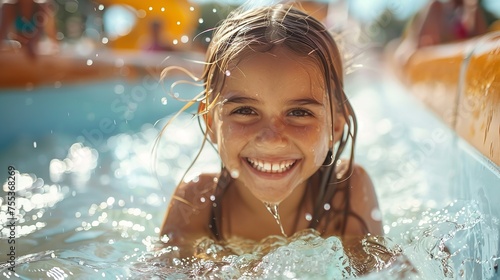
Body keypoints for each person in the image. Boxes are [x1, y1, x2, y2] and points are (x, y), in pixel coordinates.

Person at [158, 3, 382, 254]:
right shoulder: (197, 202)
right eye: (244, 111)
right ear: (211, 122)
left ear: (336, 126)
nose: (271, 139)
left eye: (299, 113)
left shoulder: (346, 192)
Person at [406, 0, 488, 48]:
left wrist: (472, 7)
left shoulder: (472, 10)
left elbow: (482, 40)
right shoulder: (436, 7)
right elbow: (417, 43)